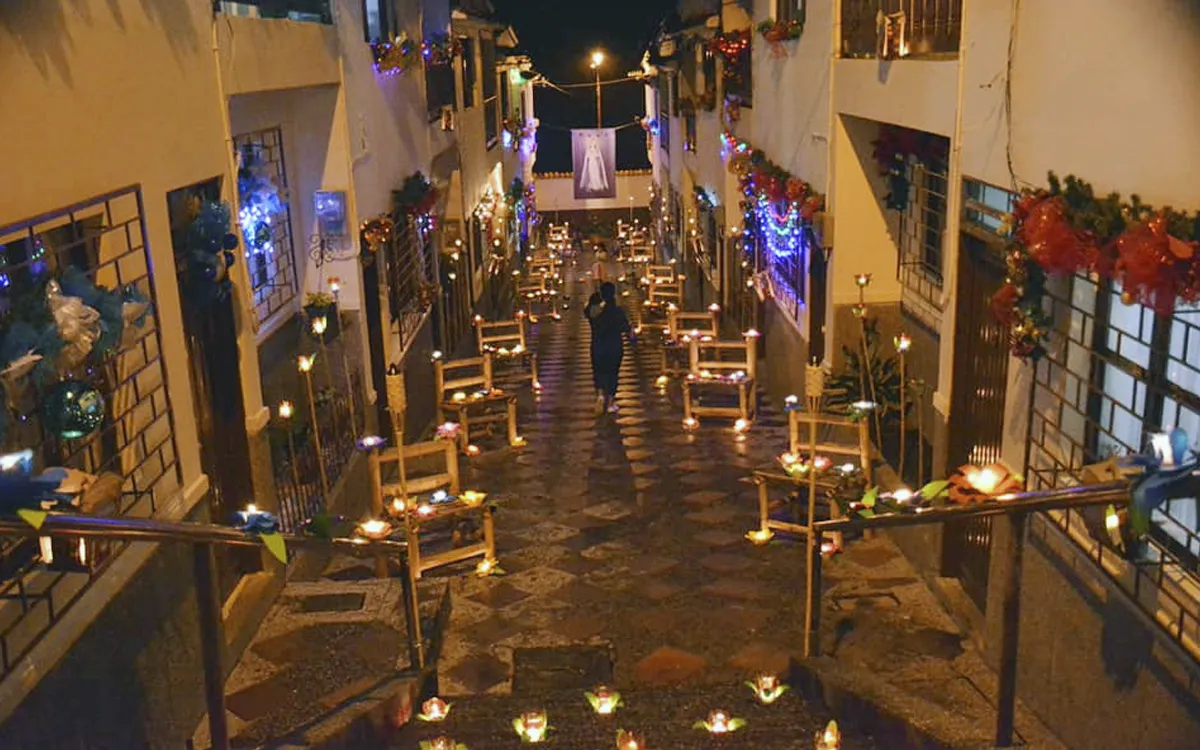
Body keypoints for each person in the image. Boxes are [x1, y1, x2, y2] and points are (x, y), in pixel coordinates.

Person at [586, 282, 635, 415]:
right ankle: (611, 403)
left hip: (597, 346)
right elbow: (626, 329)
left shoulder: (594, 312)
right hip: (614, 347)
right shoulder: (617, 311)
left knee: (598, 372)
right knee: (613, 374)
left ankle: (600, 394)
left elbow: (587, 312)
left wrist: (596, 299)